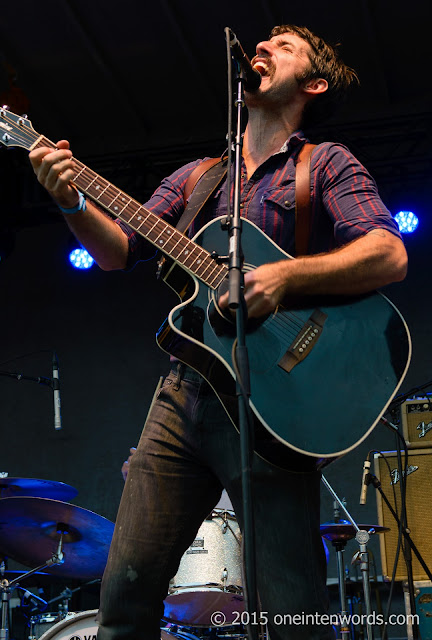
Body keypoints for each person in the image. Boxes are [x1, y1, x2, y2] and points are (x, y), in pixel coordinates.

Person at [29, 24, 407, 640]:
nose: (263, 49)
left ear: (312, 84)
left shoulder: (326, 164)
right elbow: (119, 249)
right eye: (263, 43)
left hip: (273, 411)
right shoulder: (199, 176)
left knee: (292, 614)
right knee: (124, 596)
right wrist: (71, 201)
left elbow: (388, 254)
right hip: (184, 395)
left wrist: (283, 278)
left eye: (283, 47)